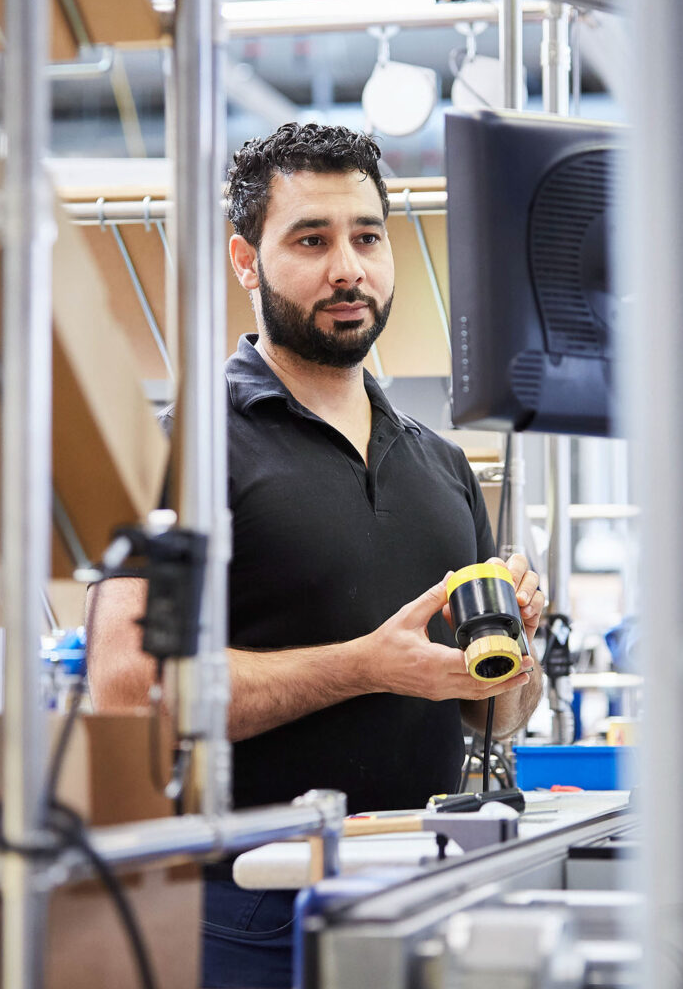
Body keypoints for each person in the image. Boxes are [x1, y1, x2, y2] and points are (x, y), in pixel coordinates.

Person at [87, 122, 545, 989]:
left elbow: (488, 718)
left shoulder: (440, 464)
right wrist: (365, 666)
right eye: (312, 239)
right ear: (244, 259)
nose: (349, 267)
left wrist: (515, 656)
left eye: (367, 237)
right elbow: (128, 687)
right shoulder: (188, 449)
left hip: (422, 891)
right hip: (248, 909)